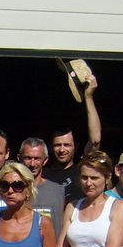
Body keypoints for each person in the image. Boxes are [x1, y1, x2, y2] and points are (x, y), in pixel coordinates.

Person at [43, 73, 102, 201]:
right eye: (57, 145)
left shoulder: (81, 170)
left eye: (67, 145)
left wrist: (89, 97)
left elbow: (95, 140)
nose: (62, 149)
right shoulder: (42, 173)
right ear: (51, 147)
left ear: (76, 146)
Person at [18, 137, 65, 229]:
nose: (32, 164)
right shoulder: (13, 190)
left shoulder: (58, 190)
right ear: (19, 158)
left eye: (37, 158)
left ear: (45, 160)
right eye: (28, 158)